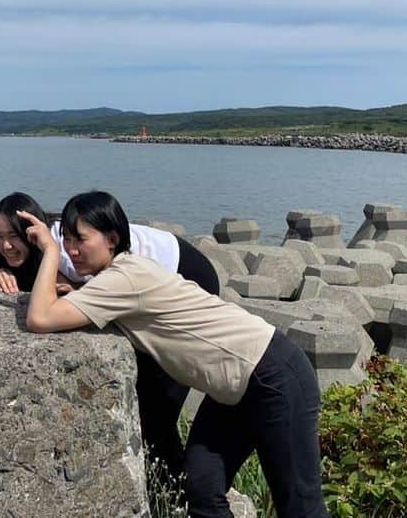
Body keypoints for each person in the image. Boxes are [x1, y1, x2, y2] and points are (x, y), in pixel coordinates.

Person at [21, 191, 329, 518]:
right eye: (65, 239)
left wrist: (49, 251)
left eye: (80, 239)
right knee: (201, 485)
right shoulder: (121, 275)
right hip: (236, 387)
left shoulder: (122, 278)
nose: (72, 249)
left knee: (300, 507)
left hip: (272, 375)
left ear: (111, 239)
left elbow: (39, 319)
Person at [0, 192, 222, 490]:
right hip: (150, 280)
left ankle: (174, 492)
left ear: (34, 233)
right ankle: (166, 485)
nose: (6, 245)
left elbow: (46, 313)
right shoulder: (51, 252)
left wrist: (78, 284)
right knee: (148, 401)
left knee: (158, 406)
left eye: (14, 236)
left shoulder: (68, 248)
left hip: (185, 270)